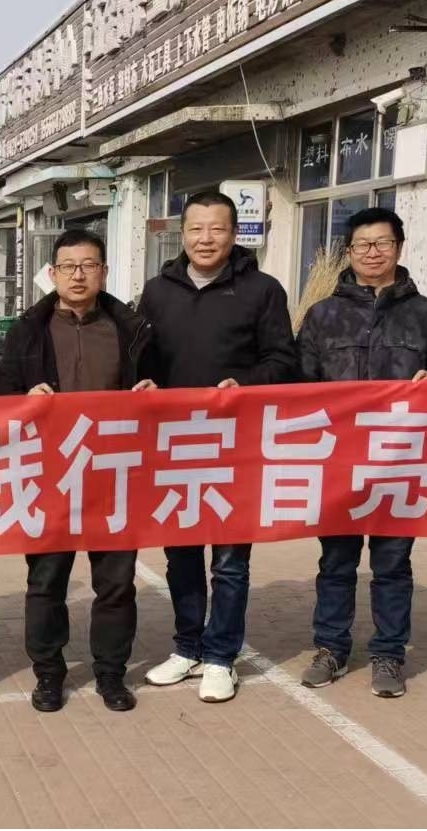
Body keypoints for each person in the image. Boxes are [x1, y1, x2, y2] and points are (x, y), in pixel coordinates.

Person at [295, 207, 427, 699]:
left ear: (399, 247)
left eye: (382, 243)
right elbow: (297, 384)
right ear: (349, 252)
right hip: (339, 461)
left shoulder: (425, 313)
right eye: (362, 245)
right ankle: (330, 647)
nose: (372, 252)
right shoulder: (323, 315)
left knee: (393, 564)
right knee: (336, 562)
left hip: (400, 459)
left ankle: (389, 653)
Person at [137, 189, 298, 703]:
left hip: (236, 446)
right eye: (196, 229)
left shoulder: (262, 290)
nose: (205, 239)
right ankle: (187, 647)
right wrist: (144, 383)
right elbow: (141, 359)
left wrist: (243, 383)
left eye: (217, 229)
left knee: (229, 561)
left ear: (235, 233)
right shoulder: (157, 291)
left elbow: (284, 362)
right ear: (182, 233)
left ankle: (221, 657)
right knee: (180, 556)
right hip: (175, 446)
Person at [0, 229, 161, 714]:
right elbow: (0, 392)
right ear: (53, 273)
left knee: (116, 584)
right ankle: (49, 674)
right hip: (49, 477)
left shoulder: (132, 328)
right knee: (46, 582)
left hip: (114, 473)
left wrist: (155, 391)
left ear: (104, 271)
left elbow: (162, 386)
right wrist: (23, 398)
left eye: (88, 265)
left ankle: (111, 674)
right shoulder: (28, 330)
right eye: (68, 266)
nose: (78, 275)